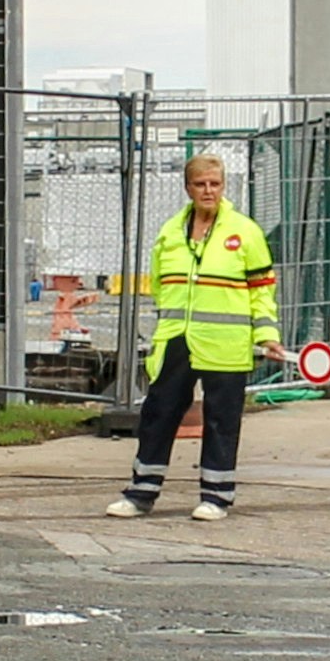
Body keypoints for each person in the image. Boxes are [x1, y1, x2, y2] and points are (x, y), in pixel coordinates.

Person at [106, 154, 273, 522]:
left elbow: (262, 289)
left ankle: (216, 496)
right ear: (188, 188)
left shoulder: (245, 232)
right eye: (201, 184)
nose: (208, 191)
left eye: (215, 183)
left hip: (225, 341)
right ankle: (141, 493)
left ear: (223, 186)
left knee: (221, 419)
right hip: (177, 338)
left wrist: (266, 333)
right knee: (158, 413)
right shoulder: (170, 233)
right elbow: (161, 286)